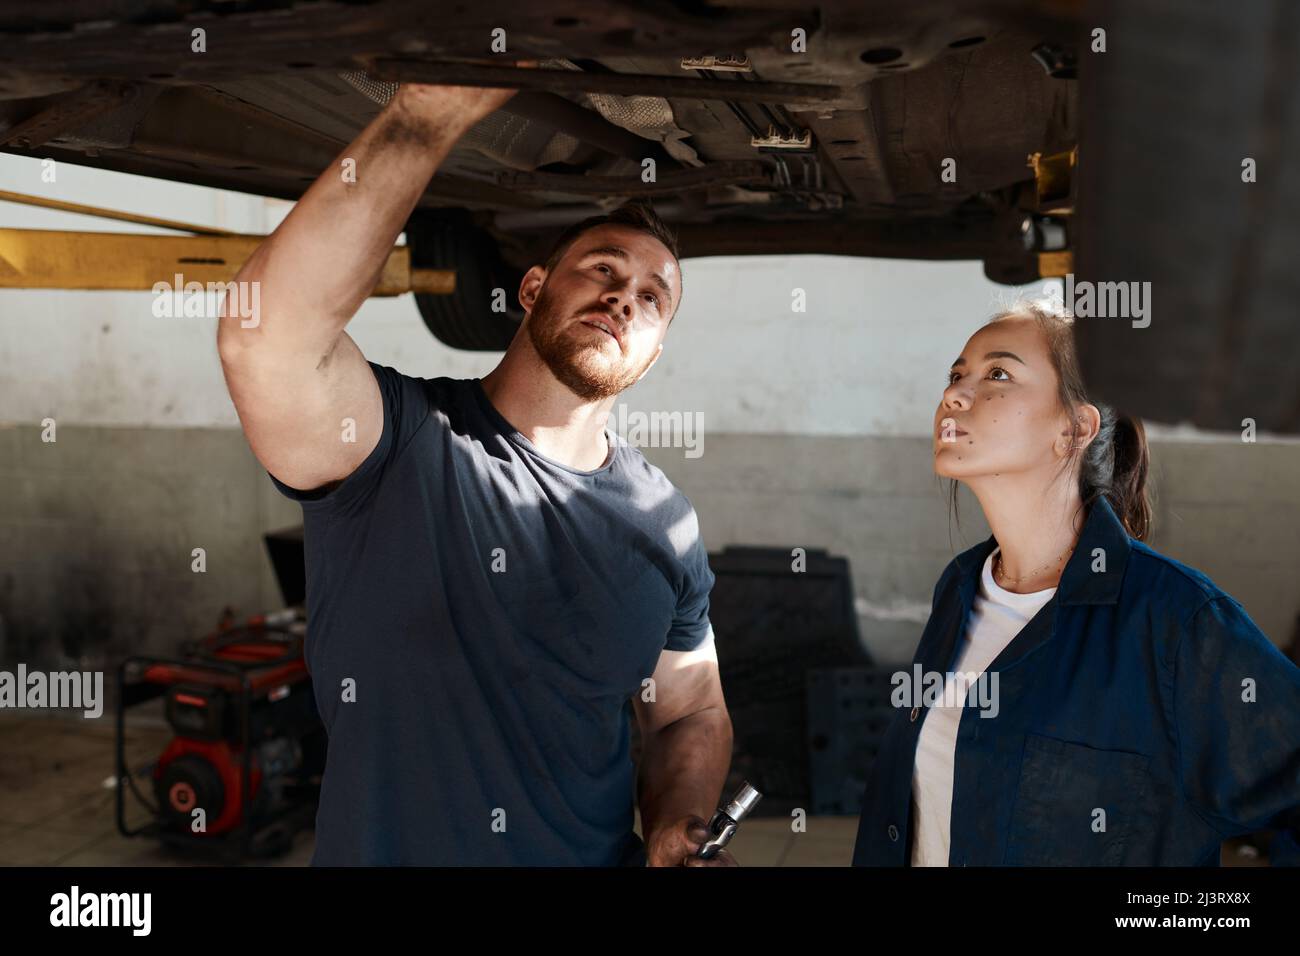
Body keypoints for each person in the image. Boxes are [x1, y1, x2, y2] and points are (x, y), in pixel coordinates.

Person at [216, 77, 734, 866]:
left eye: (652, 298)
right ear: (532, 289)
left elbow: (688, 707)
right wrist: (428, 115)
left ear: (654, 351)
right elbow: (267, 336)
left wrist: (678, 822)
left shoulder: (666, 520)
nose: (625, 297)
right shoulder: (394, 444)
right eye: (601, 269)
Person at [853, 301, 1300, 866]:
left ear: (1074, 428)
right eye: (956, 374)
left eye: (998, 374)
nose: (955, 395)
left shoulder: (1175, 618)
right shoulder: (962, 587)